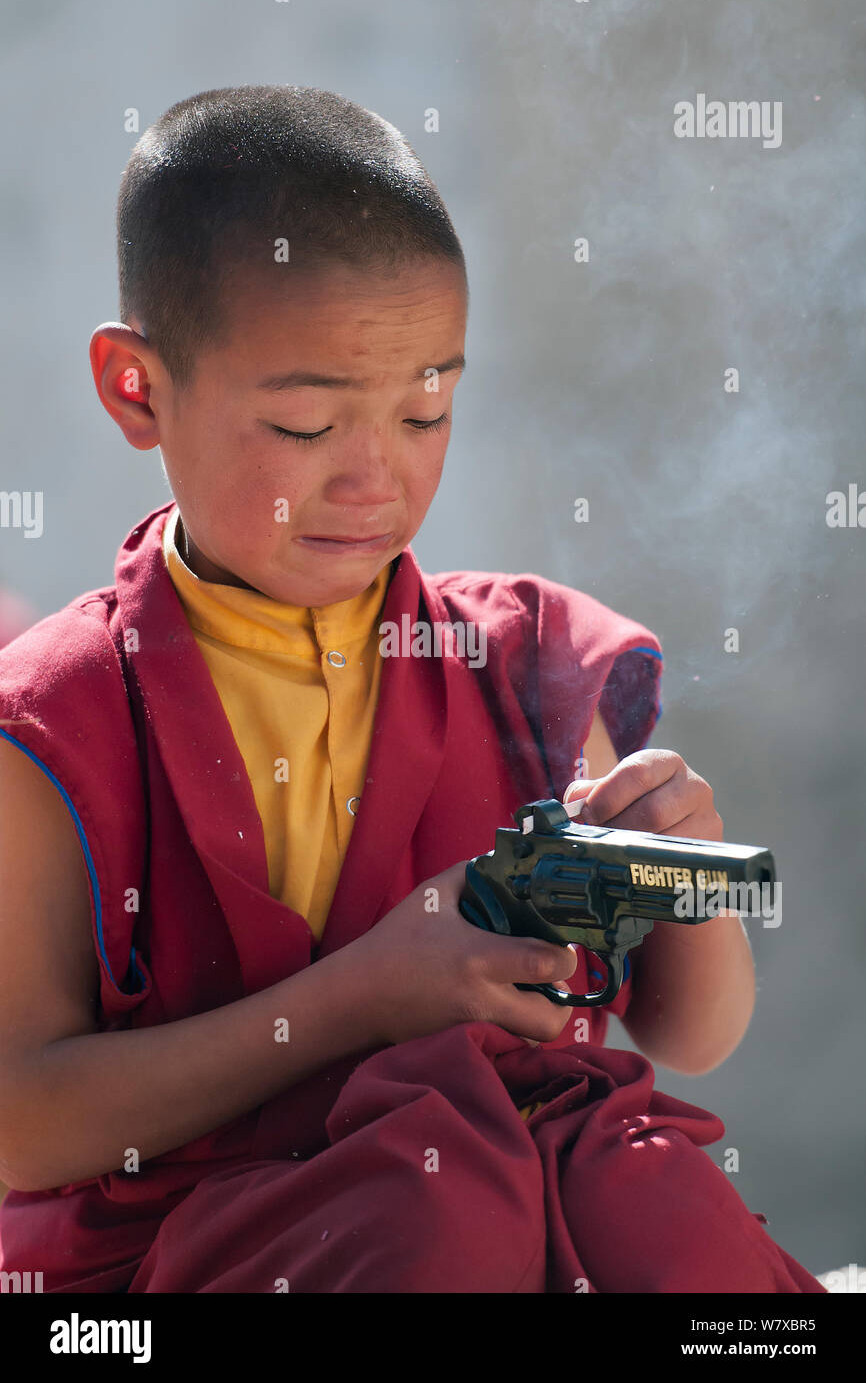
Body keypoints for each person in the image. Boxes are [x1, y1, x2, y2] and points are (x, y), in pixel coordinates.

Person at [0, 85, 824, 1294]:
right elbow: (24, 1119)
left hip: (530, 1179)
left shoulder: (522, 663)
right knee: (431, 1215)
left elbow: (685, 1035)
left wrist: (680, 876)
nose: (374, 480)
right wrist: (360, 998)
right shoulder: (56, 722)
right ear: (138, 389)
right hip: (204, 1243)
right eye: (304, 425)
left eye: (425, 408)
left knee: (659, 1212)